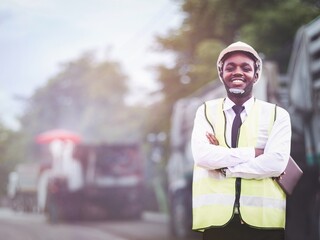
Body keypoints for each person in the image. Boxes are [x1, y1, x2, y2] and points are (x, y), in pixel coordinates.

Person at [191, 41, 291, 240]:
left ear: (255, 75)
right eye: (230, 68)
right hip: (218, 224)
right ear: (222, 75)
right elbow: (203, 156)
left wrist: (226, 167)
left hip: (264, 223)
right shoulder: (206, 111)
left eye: (246, 68)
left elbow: (276, 163)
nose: (238, 72)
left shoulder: (277, 115)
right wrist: (254, 153)